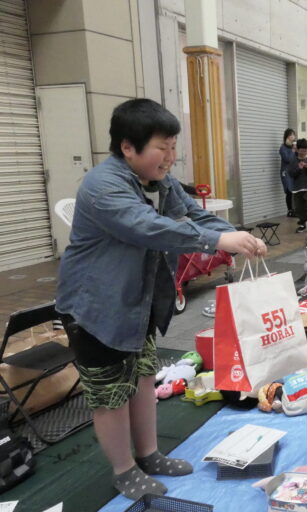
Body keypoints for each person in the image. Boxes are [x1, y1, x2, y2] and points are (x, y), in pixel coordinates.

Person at [55, 99, 267, 500]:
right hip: (96, 308)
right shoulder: (103, 187)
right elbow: (149, 228)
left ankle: (149, 453)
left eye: (174, 147)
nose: (170, 158)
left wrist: (236, 234)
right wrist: (220, 240)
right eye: (161, 148)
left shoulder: (158, 180)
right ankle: (124, 469)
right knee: (110, 395)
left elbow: (193, 214)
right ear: (127, 148)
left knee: (143, 377)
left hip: (139, 302)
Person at [288, 138, 307, 233]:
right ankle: (302, 223)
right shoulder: (293, 161)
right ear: (297, 149)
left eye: (306, 150)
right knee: (299, 209)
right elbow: (291, 174)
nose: (304, 152)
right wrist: (299, 168)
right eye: (302, 150)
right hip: (297, 189)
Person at [280, 128, 297, 217]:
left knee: (294, 191)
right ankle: (290, 210)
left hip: (293, 171)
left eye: (293, 135)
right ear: (286, 136)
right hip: (285, 172)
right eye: (290, 135)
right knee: (289, 191)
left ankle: (295, 209)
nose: (292, 137)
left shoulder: (294, 147)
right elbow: (288, 159)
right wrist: (293, 151)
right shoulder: (283, 148)